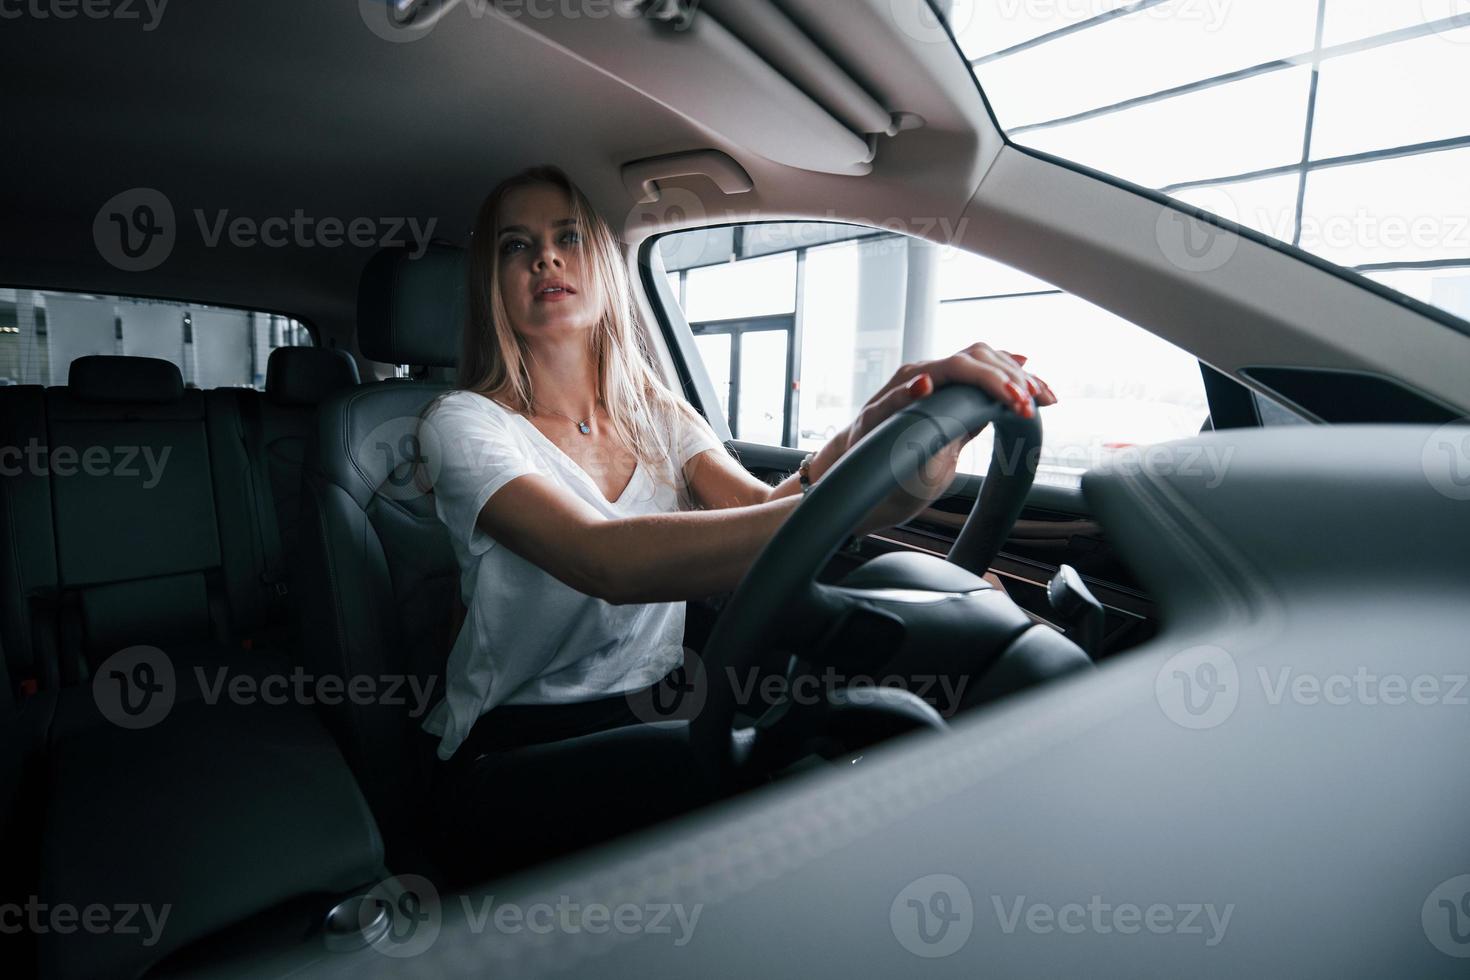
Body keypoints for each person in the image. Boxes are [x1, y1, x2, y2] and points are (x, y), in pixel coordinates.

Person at [416, 166, 1056, 871]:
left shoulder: (655, 410)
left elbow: (762, 509)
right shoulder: (462, 425)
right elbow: (604, 560)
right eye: (516, 246)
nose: (546, 257)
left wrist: (879, 442)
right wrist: (859, 495)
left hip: (653, 705)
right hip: (518, 740)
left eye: (568, 236)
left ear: (601, 264)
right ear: (493, 284)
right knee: (777, 790)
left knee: (866, 731)